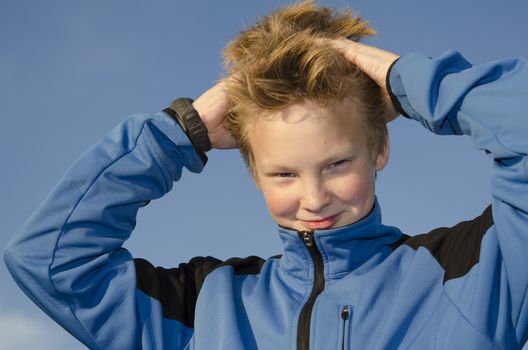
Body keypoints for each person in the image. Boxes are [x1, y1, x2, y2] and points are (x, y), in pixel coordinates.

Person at [4, 1, 528, 349]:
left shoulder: (471, 275)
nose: (314, 196)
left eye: (338, 164)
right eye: (283, 174)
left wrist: (406, 80)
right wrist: (178, 135)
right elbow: (48, 260)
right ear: (252, 171)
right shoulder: (203, 307)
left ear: (380, 147)